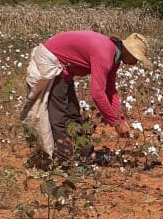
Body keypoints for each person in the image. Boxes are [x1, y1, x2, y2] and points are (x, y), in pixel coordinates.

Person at [22, 30, 151, 164]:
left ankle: (86, 154)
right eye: (136, 58)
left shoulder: (114, 56)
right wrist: (115, 122)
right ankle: (65, 159)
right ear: (128, 51)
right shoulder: (105, 54)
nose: (135, 63)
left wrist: (121, 119)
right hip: (52, 62)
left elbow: (110, 90)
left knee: (73, 114)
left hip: (65, 69)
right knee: (59, 117)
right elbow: (97, 94)